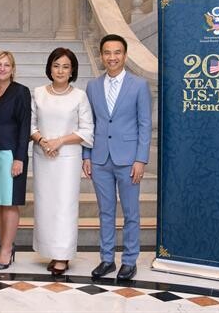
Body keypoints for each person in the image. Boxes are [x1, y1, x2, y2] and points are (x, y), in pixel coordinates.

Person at [82, 34, 152, 281]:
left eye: (117, 52)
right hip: (100, 159)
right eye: (107, 53)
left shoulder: (139, 85)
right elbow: (88, 124)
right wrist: (86, 155)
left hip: (129, 160)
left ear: (125, 55)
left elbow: (145, 125)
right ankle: (107, 259)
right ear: (101, 56)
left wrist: (141, 159)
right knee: (106, 212)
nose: (112, 57)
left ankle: (130, 260)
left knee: (131, 212)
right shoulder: (92, 86)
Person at [30, 47, 94, 275]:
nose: (60, 70)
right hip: (43, 156)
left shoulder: (79, 96)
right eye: (56, 65)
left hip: (67, 159)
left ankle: (63, 256)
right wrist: (43, 140)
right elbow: (30, 125)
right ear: (49, 67)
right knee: (46, 206)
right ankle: (50, 250)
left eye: (65, 66)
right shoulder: (38, 93)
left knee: (65, 207)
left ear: (72, 70)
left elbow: (87, 131)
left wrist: (59, 141)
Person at [0, 51, 31, 270]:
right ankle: (5, 245)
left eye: (6, 64)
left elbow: (24, 127)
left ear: (13, 68)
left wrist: (19, 158)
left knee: (9, 204)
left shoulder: (21, 92)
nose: (2, 68)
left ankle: (6, 250)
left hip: (11, 155)